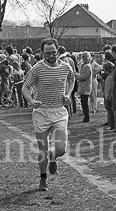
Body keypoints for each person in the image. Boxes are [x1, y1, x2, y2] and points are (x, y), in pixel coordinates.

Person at [23, 38, 76, 192]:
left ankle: (54, 157)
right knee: (42, 148)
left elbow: (72, 79)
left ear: (58, 51)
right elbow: (25, 89)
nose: (51, 56)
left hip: (59, 111)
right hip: (41, 112)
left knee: (61, 149)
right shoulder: (37, 69)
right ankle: (43, 178)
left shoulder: (66, 67)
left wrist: (68, 94)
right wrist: (31, 101)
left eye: (53, 52)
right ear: (42, 53)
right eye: (47, 53)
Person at [76, 52, 93, 122]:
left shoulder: (87, 66)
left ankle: (87, 117)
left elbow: (84, 77)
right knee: (83, 102)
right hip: (84, 86)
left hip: (85, 87)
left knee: (85, 103)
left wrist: (76, 76)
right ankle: (86, 116)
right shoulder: (85, 65)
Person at [101, 60, 116, 130]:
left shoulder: (110, 77)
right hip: (110, 95)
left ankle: (112, 125)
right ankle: (112, 124)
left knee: (110, 111)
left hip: (109, 96)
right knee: (111, 111)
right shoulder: (111, 75)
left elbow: (108, 88)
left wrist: (107, 97)